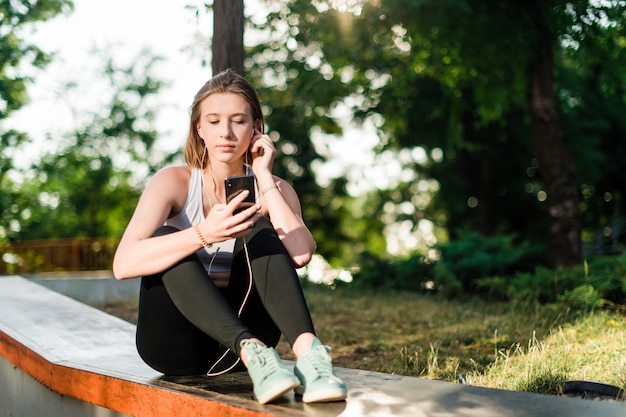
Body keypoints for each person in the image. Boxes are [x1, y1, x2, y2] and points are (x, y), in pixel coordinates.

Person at [112, 68, 347, 405]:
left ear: (256, 128)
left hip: (249, 348)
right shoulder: (173, 182)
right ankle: (252, 351)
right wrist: (203, 233)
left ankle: (311, 357)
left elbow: (300, 254)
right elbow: (123, 263)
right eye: (214, 120)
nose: (226, 132)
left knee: (259, 227)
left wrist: (264, 176)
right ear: (199, 128)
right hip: (177, 349)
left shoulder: (275, 188)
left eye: (238, 121)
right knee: (166, 238)